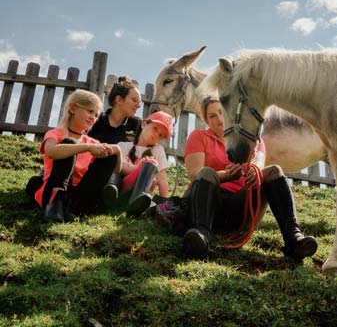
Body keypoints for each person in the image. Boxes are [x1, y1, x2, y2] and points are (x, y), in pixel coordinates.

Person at [170, 96, 317, 260]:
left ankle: (293, 237)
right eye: (212, 116)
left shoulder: (254, 140)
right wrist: (227, 176)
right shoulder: (199, 136)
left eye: (222, 112)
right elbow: (195, 174)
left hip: (240, 206)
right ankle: (201, 233)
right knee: (206, 172)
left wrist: (254, 170)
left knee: (274, 170)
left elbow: (259, 163)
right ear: (205, 119)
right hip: (206, 203)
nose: (219, 119)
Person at [25, 90, 121, 222]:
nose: (93, 117)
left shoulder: (93, 143)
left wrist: (117, 152)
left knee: (109, 155)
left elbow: (115, 171)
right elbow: (51, 151)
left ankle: (75, 208)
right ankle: (55, 206)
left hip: (78, 198)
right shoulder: (55, 134)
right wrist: (85, 147)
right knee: (69, 144)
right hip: (53, 193)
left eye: (96, 115)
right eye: (90, 111)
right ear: (73, 108)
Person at [87, 76, 142, 201]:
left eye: (140, 102)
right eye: (135, 100)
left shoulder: (136, 124)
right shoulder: (96, 121)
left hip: (124, 173)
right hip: (95, 171)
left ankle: (117, 196)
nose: (138, 106)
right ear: (119, 100)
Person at [117, 111, 173, 217]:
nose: (156, 135)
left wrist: (164, 204)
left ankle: (139, 204)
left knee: (153, 176)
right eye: (155, 128)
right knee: (149, 164)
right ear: (144, 124)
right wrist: (140, 167)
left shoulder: (158, 150)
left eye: (161, 135)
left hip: (145, 192)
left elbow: (162, 179)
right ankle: (136, 202)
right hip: (124, 191)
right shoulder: (123, 146)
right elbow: (122, 169)